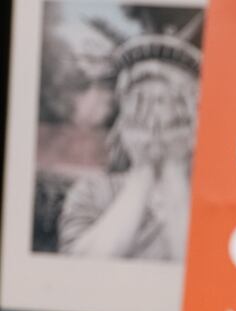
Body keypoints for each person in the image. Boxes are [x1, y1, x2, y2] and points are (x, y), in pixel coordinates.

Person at [58, 27, 201, 261]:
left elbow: (204, 279)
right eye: (141, 105)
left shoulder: (217, 200)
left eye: (171, 102)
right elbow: (79, 272)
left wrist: (174, 168)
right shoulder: (92, 193)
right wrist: (143, 170)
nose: (156, 121)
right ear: (122, 122)